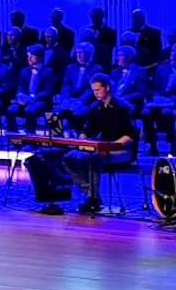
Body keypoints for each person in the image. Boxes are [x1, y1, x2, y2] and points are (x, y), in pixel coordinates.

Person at [55, 76, 136, 215]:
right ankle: (91, 194)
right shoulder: (95, 107)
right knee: (68, 158)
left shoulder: (122, 107)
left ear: (107, 88)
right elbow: (87, 130)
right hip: (101, 147)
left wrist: (111, 146)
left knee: (93, 158)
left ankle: (92, 198)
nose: (95, 93)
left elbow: (130, 135)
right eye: (93, 90)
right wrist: (82, 139)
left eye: (98, 90)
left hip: (121, 149)